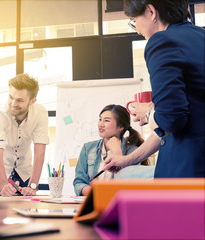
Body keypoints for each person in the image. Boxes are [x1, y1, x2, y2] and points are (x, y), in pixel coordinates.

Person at [103, 0, 205, 177]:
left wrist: (149, 113)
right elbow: (175, 124)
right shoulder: (200, 36)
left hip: (187, 170)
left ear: (151, 12)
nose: (137, 29)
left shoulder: (162, 41)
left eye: (134, 20)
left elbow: (172, 119)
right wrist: (129, 159)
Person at [0, 73, 49, 197]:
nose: (13, 103)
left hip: (24, 171)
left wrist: (33, 185)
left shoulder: (40, 113)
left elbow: (40, 152)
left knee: (26, 211)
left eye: (20, 100)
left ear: (32, 101)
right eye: (11, 97)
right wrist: (3, 184)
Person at [73, 104, 152, 196]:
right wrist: (91, 191)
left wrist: (116, 152)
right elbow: (79, 182)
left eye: (106, 120)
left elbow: (126, 187)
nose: (101, 124)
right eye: (100, 119)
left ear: (121, 126)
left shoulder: (133, 151)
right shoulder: (88, 148)